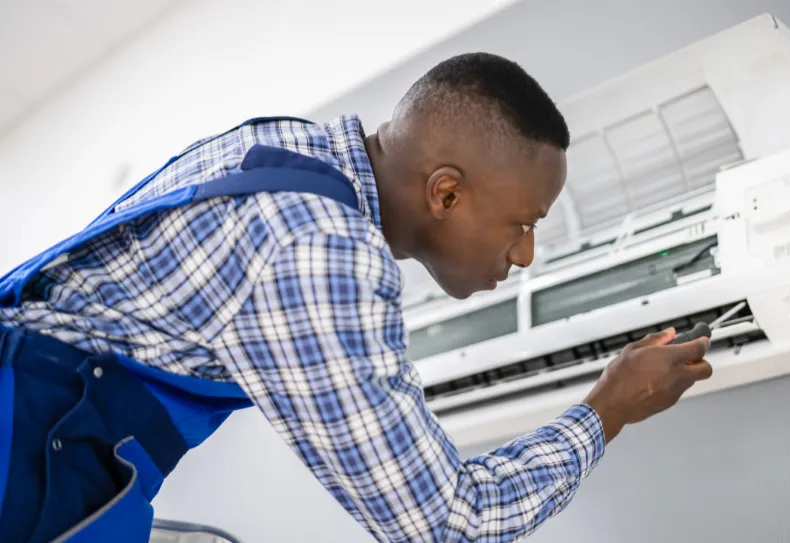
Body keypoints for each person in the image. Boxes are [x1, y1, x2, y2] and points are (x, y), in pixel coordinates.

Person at [0, 52, 712, 542]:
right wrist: (606, 409)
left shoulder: (282, 146)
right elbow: (444, 523)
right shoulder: (323, 249)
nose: (524, 253)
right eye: (522, 223)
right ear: (447, 192)